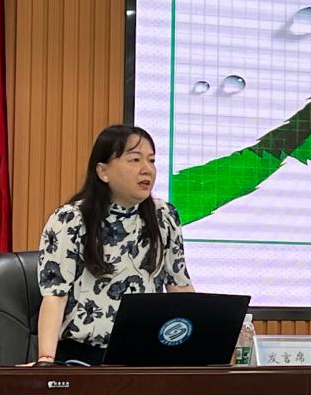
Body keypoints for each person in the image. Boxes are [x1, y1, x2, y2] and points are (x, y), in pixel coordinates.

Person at [35, 124, 194, 365]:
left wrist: (196, 348)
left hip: (149, 355)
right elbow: (55, 296)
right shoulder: (70, 219)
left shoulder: (164, 216)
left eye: (151, 160)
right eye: (135, 159)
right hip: (84, 358)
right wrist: (46, 360)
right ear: (103, 171)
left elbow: (179, 286)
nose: (147, 169)